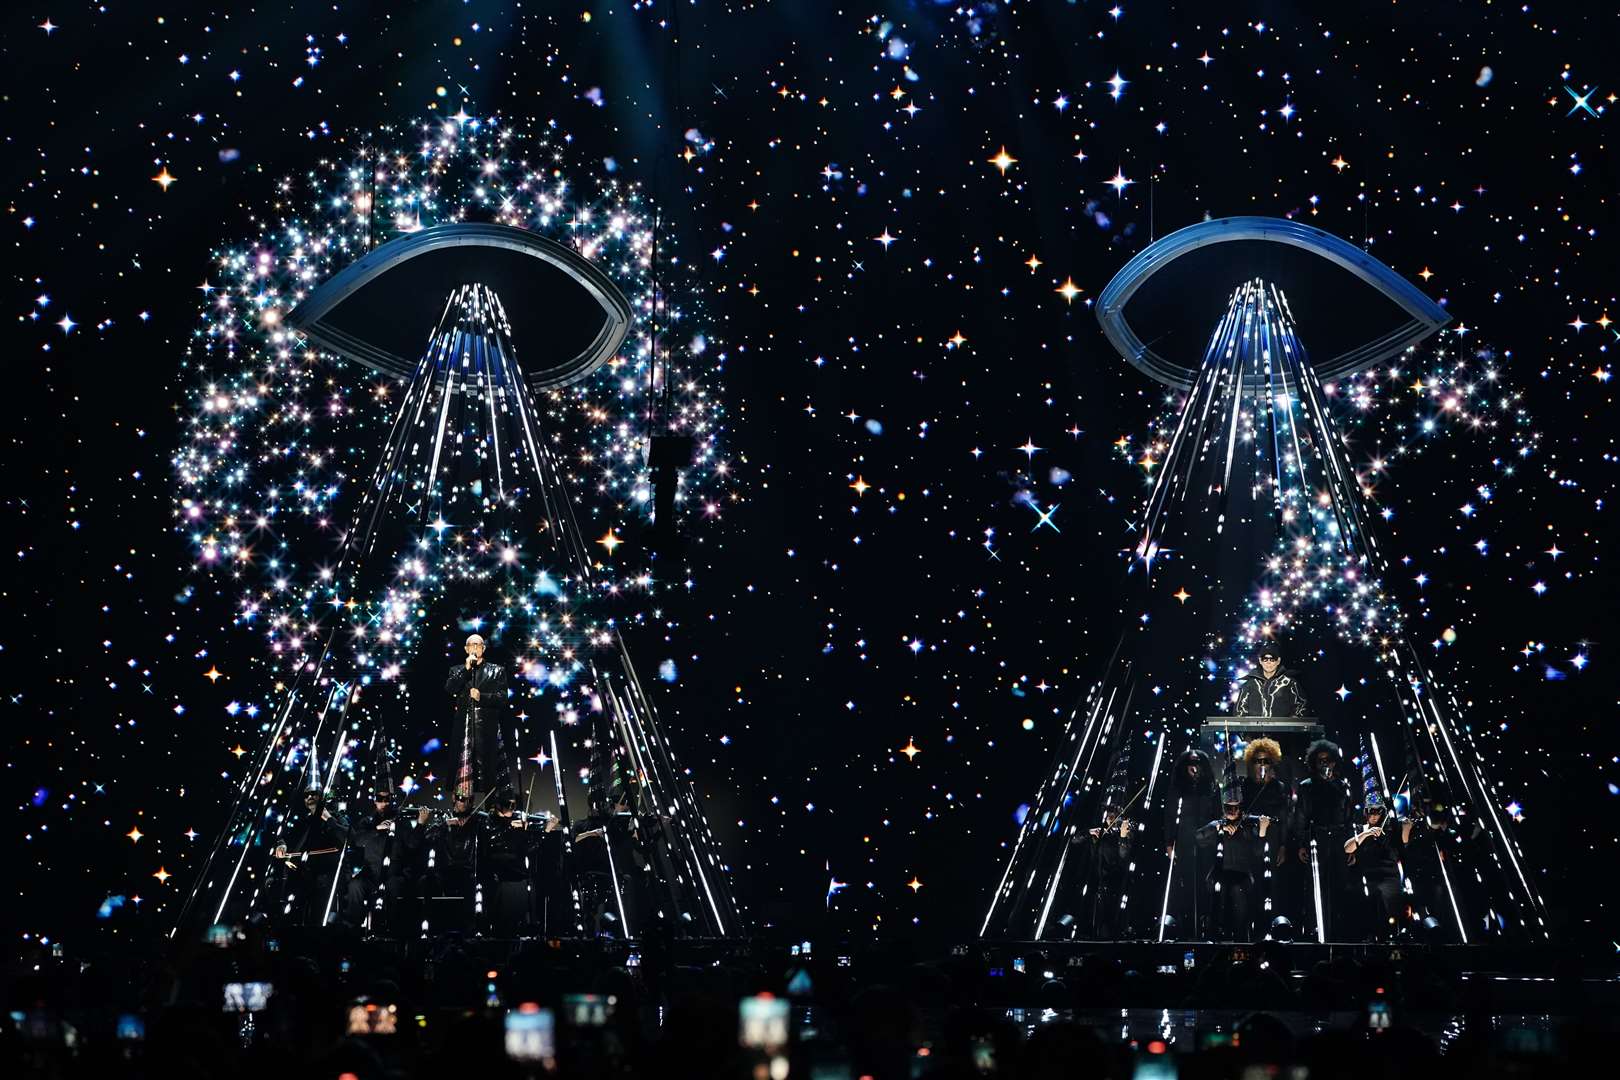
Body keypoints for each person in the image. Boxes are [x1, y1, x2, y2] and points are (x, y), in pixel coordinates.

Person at [1196, 787, 1274, 941]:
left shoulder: (1246, 827)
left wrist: (1262, 830)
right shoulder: (1217, 824)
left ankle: (1241, 939)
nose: (1232, 811)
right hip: (1219, 872)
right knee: (1217, 891)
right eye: (1228, 808)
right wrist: (1218, 827)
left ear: (1240, 808)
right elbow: (1198, 837)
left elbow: (1258, 852)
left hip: (1241, 875)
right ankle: (1213, 935)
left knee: (1239, 896)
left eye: (1235, 808)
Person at [1293, 739, 1352, 941]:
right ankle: (1314, 931)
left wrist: (1351, 846)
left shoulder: (1342, 786)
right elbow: (1300, 817)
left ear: (1334, 762)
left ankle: (1339, 933)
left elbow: (1348, 817)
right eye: (1320, 761)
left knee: (1339, 886)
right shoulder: (1306, 787)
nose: (1324, 764)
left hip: (1338, 839)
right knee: (1314, 887)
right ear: (1314, 763)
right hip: (1316, 839)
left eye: (1328, 760)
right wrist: (1302, 843)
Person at [444, 632, 512, 798]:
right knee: (463, 777)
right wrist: (466, 670)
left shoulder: (497, 671)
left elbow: (503, 698)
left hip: (487, 731)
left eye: (478, 644)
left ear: (483, 648)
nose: (475, 648)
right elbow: (450, 689)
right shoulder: (457, 670)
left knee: (488, 778)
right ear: (466, 649)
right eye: (472, 645)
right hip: (463, 730)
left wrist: (482, 697)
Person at [1162, 748, 1220, 938]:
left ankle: (1206, 925)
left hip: (1208, 841)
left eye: (1198, 764)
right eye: (1191, 764)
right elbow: (1170, 816)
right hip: (1185, 840)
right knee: (1186, 884)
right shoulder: (1177, 788)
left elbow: (1218, 816)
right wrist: (1169, 843)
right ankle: (1186, 926)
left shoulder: (1212, 787)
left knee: (1206, 883)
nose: (1194, 768)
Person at [272, 788, 351, 927]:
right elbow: (286, 838)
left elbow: (349, 838)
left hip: (328, 872)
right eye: (306, 795)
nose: (310, 797)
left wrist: (329, 819)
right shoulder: (304, 821)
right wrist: (282, 844)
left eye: (314, 794)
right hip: (303, 872)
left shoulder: (337, 817)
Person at [1345, 793, 1410, 941]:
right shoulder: (1361, 828)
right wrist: (1365, 834)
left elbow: (1402, 844)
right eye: (1371, 811)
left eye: (1378, 811)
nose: (1374, 815)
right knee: (1368, 905)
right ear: (1365, 812)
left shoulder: (1390, 829)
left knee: (1392, 908)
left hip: (1389, 876)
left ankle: (1393, 935)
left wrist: (1406, 828)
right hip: (1368, 876)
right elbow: (1347, 848)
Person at [1073, 800, 1133, 939]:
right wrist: (1089, 832)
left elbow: (1124, 856)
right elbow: (1075, 840)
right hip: (1096, 881)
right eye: (1108, 815)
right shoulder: (1099, 833)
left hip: (1116, 883)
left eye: (1113, 815)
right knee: (1094, 919)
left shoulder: (1123, 833)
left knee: (1111, 920)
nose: (1110, 818)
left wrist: (1123, 836)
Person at [1233, 642, 1309, 718]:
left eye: (1272, 659)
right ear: (1260, 661)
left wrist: (1291, 723)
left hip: (1282, 729)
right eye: (1265, 659)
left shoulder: (1289, 683)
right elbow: (1239, 711)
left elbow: (1302, 706)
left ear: (1278, 661)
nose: (1268, 662)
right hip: (1255, 729)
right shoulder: (1250, 684)